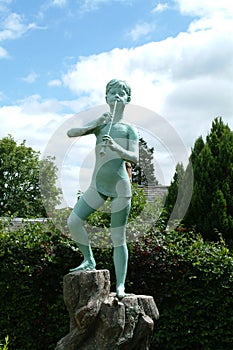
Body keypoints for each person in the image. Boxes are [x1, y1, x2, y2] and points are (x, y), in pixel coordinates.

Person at [67, 79, 139, 298]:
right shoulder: (100, 125)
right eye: (112, 93)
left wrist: (117, 148)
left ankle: (121, 285)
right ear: (106, 98)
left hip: (120, 188)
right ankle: (89, 259)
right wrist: (94, 123)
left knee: (118, 237)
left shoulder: (129, 129)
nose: (116, 96)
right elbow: (71, 132)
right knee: (73, 221)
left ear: (128, 99)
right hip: (97, 186)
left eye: (121, 93)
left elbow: (134, 157)